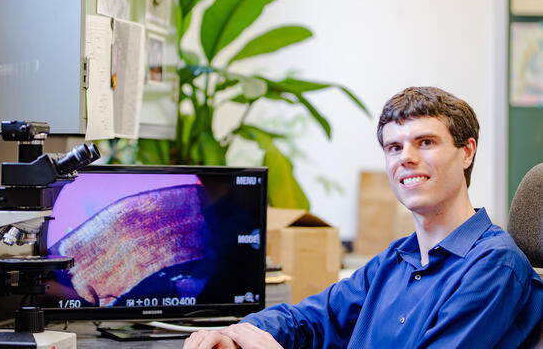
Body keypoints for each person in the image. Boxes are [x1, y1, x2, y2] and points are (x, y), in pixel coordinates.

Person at [182, 86, 543, 349]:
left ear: (467, 152)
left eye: (426, 143)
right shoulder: (394, 260)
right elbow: (308, 320)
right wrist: (235, 333)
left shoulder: (495, 265)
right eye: (394, 147)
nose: (406, 158)